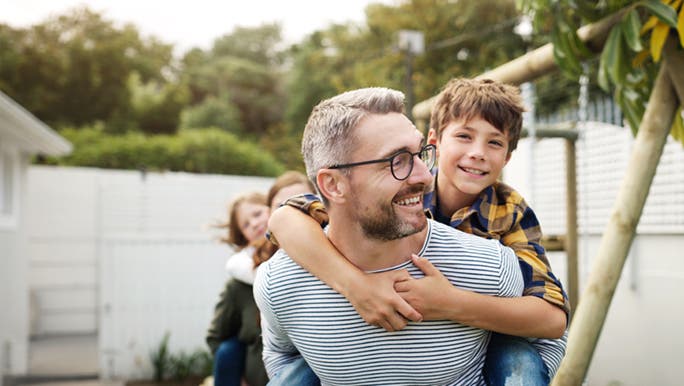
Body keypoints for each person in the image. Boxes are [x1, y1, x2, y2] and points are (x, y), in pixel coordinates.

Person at [267, 78, 569, 385]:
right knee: (297, 373)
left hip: (484, 336)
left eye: (494, 142)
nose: (478, 152)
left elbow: (552, 317)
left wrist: (451, 303)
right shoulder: (401, 190)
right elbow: (285, 219)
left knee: (519, 363)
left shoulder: (509, 211)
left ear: (507, 157)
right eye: (464, 136)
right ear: (434, 141)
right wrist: (356, 285)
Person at [206, 172, 315, 386]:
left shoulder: (314, 256)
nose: (255, 224)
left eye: (257, 214)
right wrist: (236, 374)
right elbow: (216, 338)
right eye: (246, 225)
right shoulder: (240, 278)